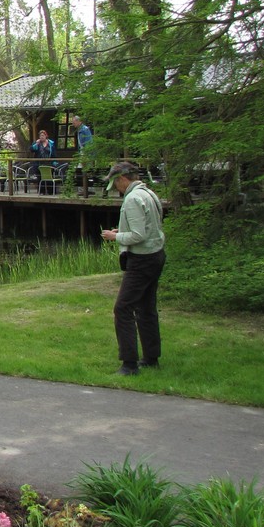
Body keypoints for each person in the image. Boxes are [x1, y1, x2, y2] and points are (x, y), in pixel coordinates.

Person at [101, 161, 166, 376]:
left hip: (142, 259)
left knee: (123, 308)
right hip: (156, 255)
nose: (117, 190)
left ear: (122, 179)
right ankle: (151, 358)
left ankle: (129, 364)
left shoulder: (132, 199)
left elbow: (139, 236)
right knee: (146, 307)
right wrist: (124, 229)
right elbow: (148, 226)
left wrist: (115, 236)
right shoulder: (149, 193)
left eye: (116, 185)